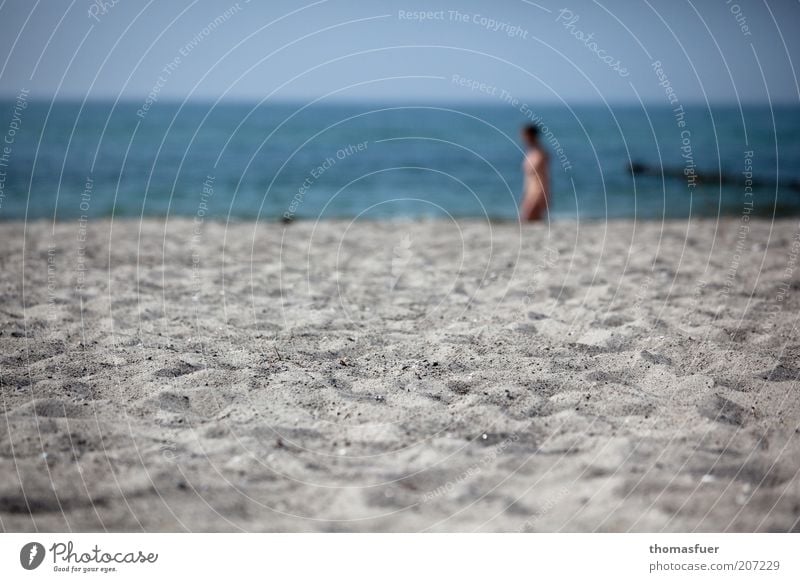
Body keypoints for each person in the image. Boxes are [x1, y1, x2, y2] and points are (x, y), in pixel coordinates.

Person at [519, 124, 550, 221]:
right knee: (530, 220)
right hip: (529, 191)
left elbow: (545, 177)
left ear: (531, 136)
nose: (522, 138)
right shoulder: (530, 153)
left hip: (538, 192)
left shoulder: (541, 154)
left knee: (528, 219)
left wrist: (544, 196)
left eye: (524, 135)